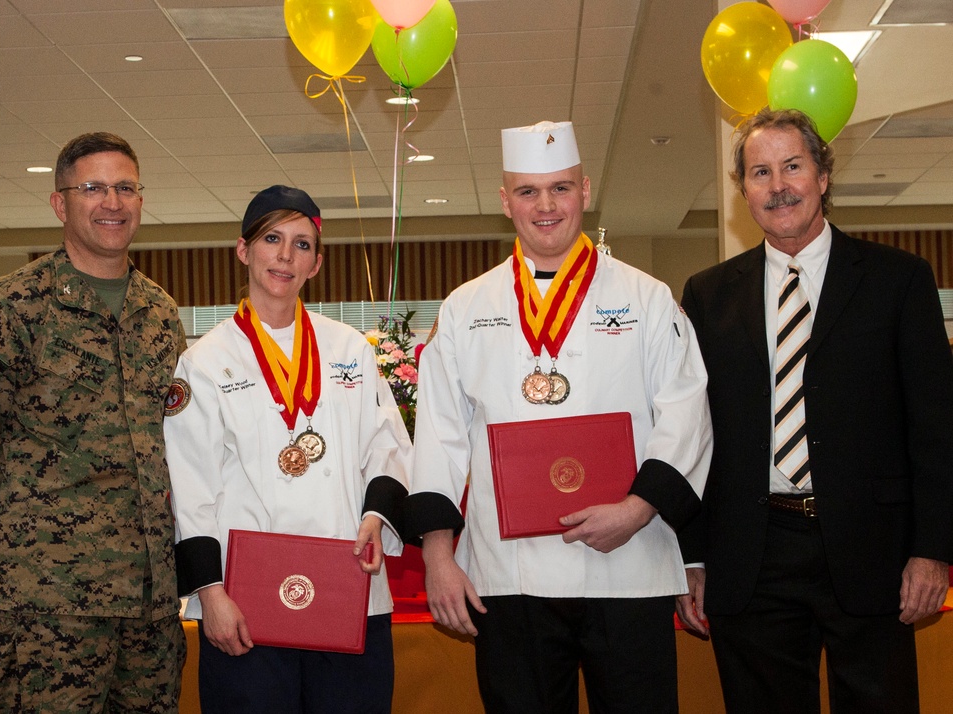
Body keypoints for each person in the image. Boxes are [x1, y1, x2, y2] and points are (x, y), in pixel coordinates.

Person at [406, 120, 713, 713]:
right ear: (505, 202)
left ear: (586, 190)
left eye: (561, 188)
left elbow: (686, 414)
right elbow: (439, 438)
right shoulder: (466, 308)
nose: (546, 206)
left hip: (628, 565)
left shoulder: (647, 299)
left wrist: (636, 509)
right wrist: (440, 557)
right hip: (508, 577)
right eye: (527, 191)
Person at [677, 108, 953, 714]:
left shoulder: (898, 281)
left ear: (823, 176)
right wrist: (691, 556)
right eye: (759, 172)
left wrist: (933, 549)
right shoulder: (707, 294)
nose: (778, 186)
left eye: (793, 166)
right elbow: (691, 435)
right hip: (751, 553)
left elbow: (936, 427)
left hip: (872, 548)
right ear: (744, 191)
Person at [0, 132, 187, 712]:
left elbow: (175, 439)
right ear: (60, 203)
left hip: (150, 604)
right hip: (45, 604)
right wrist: (31, 534)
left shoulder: (159, 312)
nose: (113, 201)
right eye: (94, 188)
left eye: (126, 187)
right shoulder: (11, 307)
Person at [164, 185, 412, 714]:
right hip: (246, 603)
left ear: (317, 263)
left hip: (349, 590)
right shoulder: (204, 362)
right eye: (272, 239)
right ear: (243, 249)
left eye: (301, 244)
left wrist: (376, 516)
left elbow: (389, 445)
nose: (284, 255)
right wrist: (210, 594)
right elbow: (190, 487)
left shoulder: (350, 348)